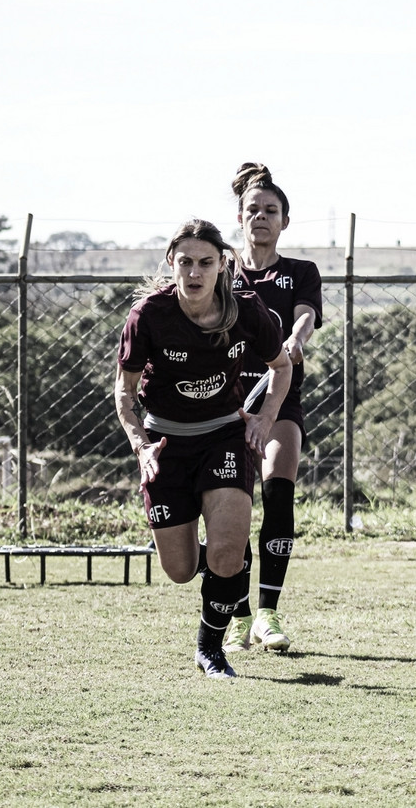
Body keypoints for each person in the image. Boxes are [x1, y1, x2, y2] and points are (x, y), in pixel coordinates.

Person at [114, 219, 292, 678]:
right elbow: (124, 392)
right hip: (166, 443)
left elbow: (281, 366)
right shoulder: (149, 316)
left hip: (223, 435)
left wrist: (265, 418)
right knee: (179, 568)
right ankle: (219, 570)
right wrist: (141, 446)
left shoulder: (246, 310)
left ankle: (211, 647)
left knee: (228, 552)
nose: (194, 272)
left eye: (205, 263)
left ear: (222, 266)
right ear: (171, 263)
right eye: (186, 262)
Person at [220, 163, 323, 656]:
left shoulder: (301, 273)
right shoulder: (219, 270)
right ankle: (237, 618)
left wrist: (295, 339)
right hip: (224, 406)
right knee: (233, 506)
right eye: (253, 210)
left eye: (271, 211)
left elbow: (304, 316)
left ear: (284, 221)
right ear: (240, 217)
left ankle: (267, 612)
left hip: (280, 400)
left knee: (278, 493)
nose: (261, 217)